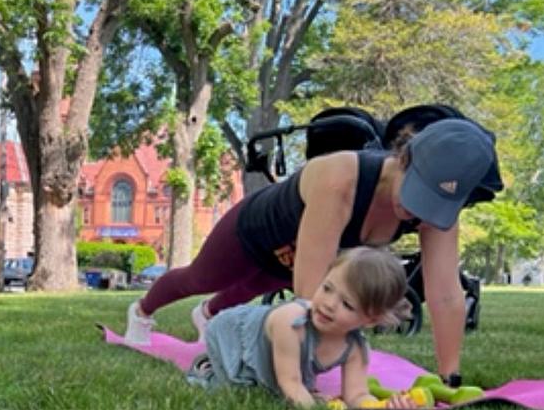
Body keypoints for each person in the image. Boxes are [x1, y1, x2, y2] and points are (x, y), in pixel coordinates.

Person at [126, 118, 500, 387]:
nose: (417, 212)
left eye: (432, 204)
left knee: (248, 291)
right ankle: (142, 312)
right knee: (204, 278)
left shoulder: (438, 213)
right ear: (403, 158)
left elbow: (446, 294)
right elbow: (309, 293)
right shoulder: (341, 178)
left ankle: (208, 315)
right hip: (256, 230)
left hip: (294, 258)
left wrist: (449, 378)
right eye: (416, 194)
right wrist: (303, 376)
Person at [186, 247, 418, 410]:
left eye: (346, 304)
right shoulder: (292, 323)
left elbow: (356, 395)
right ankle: (207, 368)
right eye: (327, 288)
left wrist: (384, 406)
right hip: (232, 332)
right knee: (242, 388)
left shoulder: (355, 348)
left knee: (289, 389)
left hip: (282, 358)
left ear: (369, 320)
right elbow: (290, 384)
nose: (328, 303)